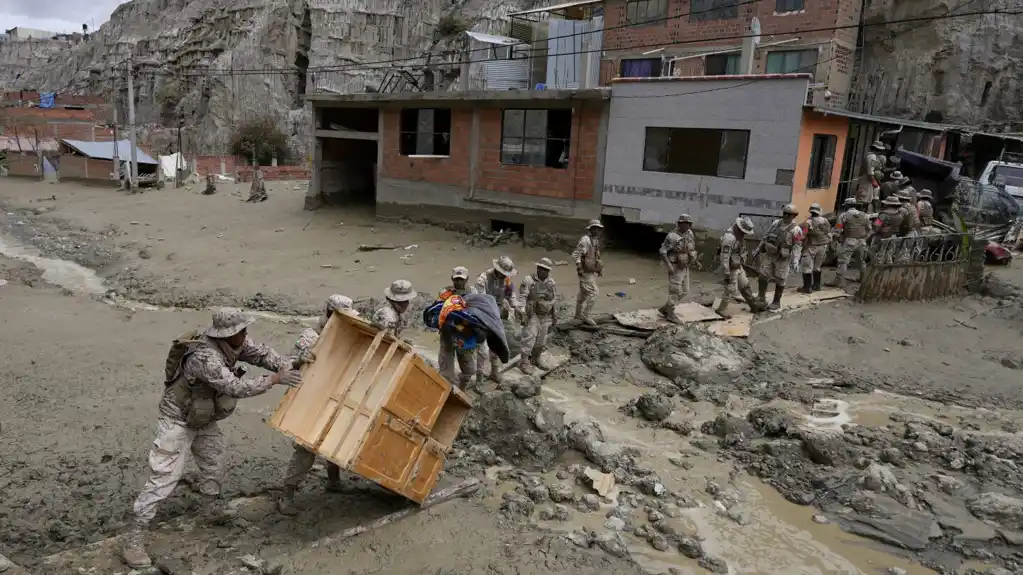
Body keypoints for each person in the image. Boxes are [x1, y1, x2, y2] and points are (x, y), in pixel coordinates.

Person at [123, 308, 299, 568]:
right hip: (177, 420)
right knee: (164, 477)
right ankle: (133, 538)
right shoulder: (205, 356)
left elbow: (261, 353)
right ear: (227, 334)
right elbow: (235, 387)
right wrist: (275, 379)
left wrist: (285, 365)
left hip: (203, 417)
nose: (246, 334)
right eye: (242, 331)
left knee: (213, 462)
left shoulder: (236, 341)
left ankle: (209, 510)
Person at [277, 295, 357, 516]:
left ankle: (334, 481)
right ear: (331, 314)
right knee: (306, 448)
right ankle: (287, 495)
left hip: (333, 393)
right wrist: (302, 359)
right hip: (309, 397)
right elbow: (289, 364)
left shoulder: (344, 331)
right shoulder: (311, 337)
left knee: (334, 437)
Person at [471, 257, 518, 384]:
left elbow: (510, 295)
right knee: (482, 348)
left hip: (499, 311)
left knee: (497, 343)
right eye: (503, 273)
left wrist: (516, 306)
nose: (505, 276)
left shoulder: (507, 279)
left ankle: (494, 371)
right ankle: (478, 376)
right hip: (484, 312)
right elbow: (481, 300)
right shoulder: (483, 279)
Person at [756, 204, 803, 311]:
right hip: (770, 254)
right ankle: (761, 297)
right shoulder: (776, 223)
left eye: (789, 214)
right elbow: (766, 236)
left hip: (783, 258)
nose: (786, 216)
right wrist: (759, 248)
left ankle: (776, 301)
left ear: (794, 216)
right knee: (763, 276)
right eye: (784, 213)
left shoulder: (797, 230)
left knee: (780, 280)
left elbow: (798, 245)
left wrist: (796, 260)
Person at [437, 267, 476, 389]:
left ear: (467, 279)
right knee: (445, 372)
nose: (459, 282)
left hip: (464, 335)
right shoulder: (445, 292)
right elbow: (438, 312)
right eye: (456, 279)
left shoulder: (473, 292)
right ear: (452, 279)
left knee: (469, 370)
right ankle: (447, 392)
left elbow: (478, 312)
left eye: (461, 279)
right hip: (448, 334)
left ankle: (460, 390)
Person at [714, 217, 761, 318]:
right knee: (730, 289)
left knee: (745, 285)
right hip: (730, 267)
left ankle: (753, 306)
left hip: (737, 265)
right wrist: (726, 273)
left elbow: (741, 251)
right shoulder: (729, 238)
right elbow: (724, 257)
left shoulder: (739, 237)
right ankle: (721, 309)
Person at [518, 257, 557, 374]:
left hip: (545, 313)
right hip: (532, 312)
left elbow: (554, 300)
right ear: (537, 268)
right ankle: (524, 361)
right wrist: (522, 313)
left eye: (546, 269)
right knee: (529, 337)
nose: (543, 271)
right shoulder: (529, 281)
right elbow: (522, 298)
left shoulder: (551, 283)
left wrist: (554, 315)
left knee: (541, 338)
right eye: (541, 268)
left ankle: (536, 358)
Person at [658, 214, 699, 323]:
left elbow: (690, 248)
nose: (688, 226)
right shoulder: (672, 236)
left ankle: (665, 308)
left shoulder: (690, 234)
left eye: (689, 224)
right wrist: (669, 265)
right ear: (680, 223)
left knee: (685, 291)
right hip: (675, 264)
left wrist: (696, 261)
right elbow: (662, 251)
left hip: (685, 265)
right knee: (675, 291)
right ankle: (670, 314)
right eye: (685, 223)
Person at [833, 197, 871, 289]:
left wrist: (837, 237)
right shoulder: (864, 215)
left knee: (843, 261)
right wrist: (864, 238)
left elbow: (838, 229)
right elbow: (869, 229)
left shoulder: (844, 215)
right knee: (861, 261)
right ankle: (863, 279)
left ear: (847, 206)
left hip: (849, 241)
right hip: (862, 242)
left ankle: (839, 282)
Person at [572, 219, 604, 326]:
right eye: (596, 229)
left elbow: (596, 257)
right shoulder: (585, 240)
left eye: (599, 229)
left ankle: (577, 315)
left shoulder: (595, 241)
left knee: (583, 295)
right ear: (592, 229)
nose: (598, 231)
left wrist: (599, 269)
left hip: (590, 272)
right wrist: (579, 268)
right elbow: (576, 255)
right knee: (595, 292)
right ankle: (586, 315)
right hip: (584, 272)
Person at [799, 203, 831, 293]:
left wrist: (797, 240)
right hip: (823, 246)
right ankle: (817, 285)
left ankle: (807, 288)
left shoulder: (808, 223)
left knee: (807, 267)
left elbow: (803, 235)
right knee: (817, 267)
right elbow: (828, 231)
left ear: (810, 211)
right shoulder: (825, 220)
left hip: (811, 247)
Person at [872, 196, 904, 264]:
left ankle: (878, 268)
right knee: (890, 253)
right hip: (894, 235)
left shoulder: (884, 214)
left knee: (881, 253)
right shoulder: (899, 214)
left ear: (887, 204)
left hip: (884, 236)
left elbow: (876, 225)